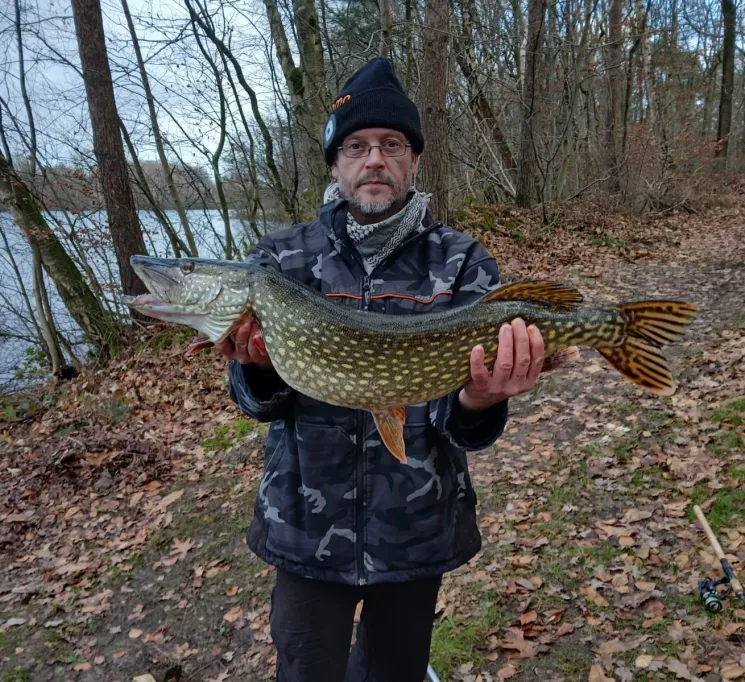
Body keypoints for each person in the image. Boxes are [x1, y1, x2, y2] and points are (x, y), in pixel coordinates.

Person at [216, 57, 545, 682]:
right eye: (356, 146)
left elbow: (461, 424)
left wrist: (481, 401)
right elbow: (256, 403)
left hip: (416, 527)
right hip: (305, 527)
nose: (374, 159)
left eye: (391, 144)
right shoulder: (278, 260)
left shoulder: (462, 261)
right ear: (335, 164)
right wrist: (258, 370)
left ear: (413, 160)